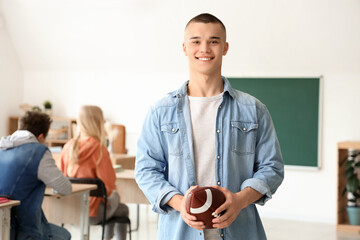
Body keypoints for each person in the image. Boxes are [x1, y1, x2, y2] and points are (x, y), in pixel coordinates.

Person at [135, 13, 284, 240]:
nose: (204, 48)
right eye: (196, 41)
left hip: (241, 233)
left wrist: (240, 200)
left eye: (213, 41)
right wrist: (180, 203)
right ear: (184, 48)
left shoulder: (254, 109)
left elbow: (271, 167)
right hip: (178, 233)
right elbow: (146, 170)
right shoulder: (160, 112)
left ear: (225, 48)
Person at [59, 105, 129, 240]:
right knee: (122, 207)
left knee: (114, 202)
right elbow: (108, 185)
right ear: (98, 123)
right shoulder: (99, 149)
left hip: (70, 209)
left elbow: (61, 178)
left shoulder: (68, 146)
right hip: (93, 213)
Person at [0, 111, 72, 240]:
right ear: (40, 137)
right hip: (23, 229)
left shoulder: (2, 148)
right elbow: (65, 188)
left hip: (2, 228)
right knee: (64, 235)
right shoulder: (38, 152)